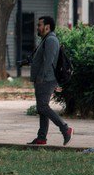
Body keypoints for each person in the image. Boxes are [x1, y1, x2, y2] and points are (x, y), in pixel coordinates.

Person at [28, 16, 72, 146]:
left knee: (43, 107)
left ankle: (65, 128)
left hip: (46, 79)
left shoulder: (51, 40)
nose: (37, 27)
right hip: (43, 78)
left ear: (47, 27)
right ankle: (41, 138)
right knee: (42, 108)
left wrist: (41, 77)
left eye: (39, 25)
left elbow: (49, 61)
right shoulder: (46, 39)